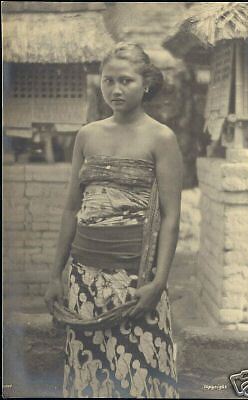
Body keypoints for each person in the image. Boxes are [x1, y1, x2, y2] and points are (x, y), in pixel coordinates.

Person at [44, 42, 182, 398]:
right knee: (90, 375)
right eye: (108, 81)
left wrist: (159, 282)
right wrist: (54, 275)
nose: (116, 90)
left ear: (146, 83)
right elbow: (71, 208)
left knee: (141, 375)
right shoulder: (87, 135)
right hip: (84, 276)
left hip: (136, 280)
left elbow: (170, 217)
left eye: (126, 81)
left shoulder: (161, 138)